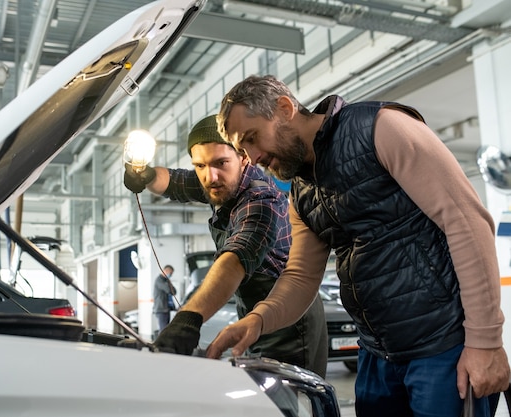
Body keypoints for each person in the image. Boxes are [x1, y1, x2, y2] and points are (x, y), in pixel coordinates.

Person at [205, 74, 510, 417]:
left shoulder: (380, 128)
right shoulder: (303, 193)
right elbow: (302, 277)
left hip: (440, 348)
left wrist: (485, 343)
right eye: (243, 150)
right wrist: (257, 321)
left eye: (252, 138)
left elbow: (466, 223)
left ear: (285, 108)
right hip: (376, 356)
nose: (254, 156)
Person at [123, 114, 329, 377]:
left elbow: (237, 257)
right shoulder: (220, 182)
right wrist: (146, 176)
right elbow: (175, 182)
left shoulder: (260, 199)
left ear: (244, 157)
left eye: (221, 162)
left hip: (290, 324)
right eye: (200, 165)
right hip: (254, 317)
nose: (211, 176)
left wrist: (189, 318)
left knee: (291, 406)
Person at [152, 264, 176, 332]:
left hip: (166, 309)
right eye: (170, 273)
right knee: (163, 330)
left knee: (166, 330)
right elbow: (168, 290)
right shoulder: (159, 280)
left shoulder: (166, 281)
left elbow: (174, 292)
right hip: (161, 309)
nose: (171, 275)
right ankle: (160, 343)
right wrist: (169, 283)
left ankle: (164, 342)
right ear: (165, 271)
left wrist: (169, 283)